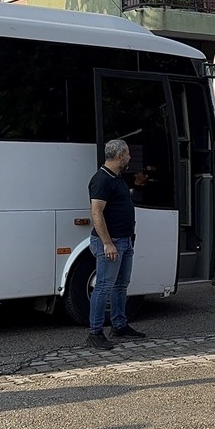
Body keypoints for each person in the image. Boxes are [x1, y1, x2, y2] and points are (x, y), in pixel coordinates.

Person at [86, 139, 145, 350]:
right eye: (128, 154)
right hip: (113, 243)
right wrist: (107, 243)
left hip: (125, 240)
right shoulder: (101, 180)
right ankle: (95, 332)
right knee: (103, 286)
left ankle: (119, 324)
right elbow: (96, 212)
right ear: (120, 156)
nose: (130, 157)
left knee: (121, 285)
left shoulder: (116, 178)